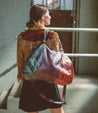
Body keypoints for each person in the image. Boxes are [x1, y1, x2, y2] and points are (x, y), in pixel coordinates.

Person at [17, 4, 64, 113]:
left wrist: (21, 77)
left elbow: (20, 60)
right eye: (48, 14)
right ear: (42, 17)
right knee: (57, 111)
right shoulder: (52, 35)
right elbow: (56, 61)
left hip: (29, 80)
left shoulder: (22, 36)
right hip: (47, 79)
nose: (50, 17)